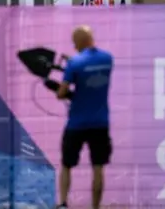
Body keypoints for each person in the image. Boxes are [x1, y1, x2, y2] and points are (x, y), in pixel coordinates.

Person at [54, 25, 114, 209]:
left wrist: (59, 84)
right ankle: (95, 206)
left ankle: (63, 203)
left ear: (79, 42)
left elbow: (62, 93)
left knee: (66, 165)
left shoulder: (74, 64)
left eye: (74, 43)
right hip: (100, 123)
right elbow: (91, 70)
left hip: (77, 123)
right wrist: (73, 62)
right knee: (98, 167)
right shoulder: (107, 59)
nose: (74, 47)